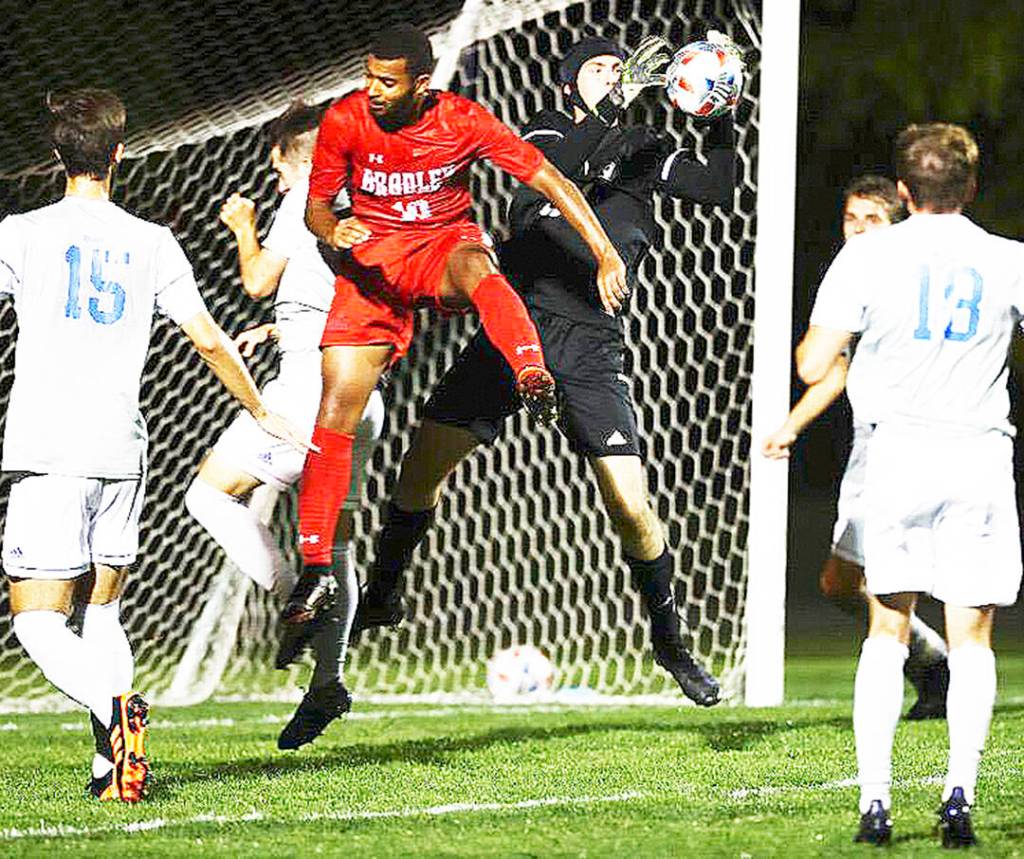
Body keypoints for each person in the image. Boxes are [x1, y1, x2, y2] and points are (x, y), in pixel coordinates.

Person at [352, 33, 739, 706]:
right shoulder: (545, 131)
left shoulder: (641, 148)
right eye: (599, 67)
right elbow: (551, 173)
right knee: (423, 467)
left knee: (631, 507)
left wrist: (721, 114)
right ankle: (384, 591)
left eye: (618, 66)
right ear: (569, 84)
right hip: (518, 326)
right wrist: (613, 105)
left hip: (590, 341)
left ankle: (670, 640)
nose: (614, 73)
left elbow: (718, 184)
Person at [277, 23, 630, 665]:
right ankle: (316, 567)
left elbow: (553, 181)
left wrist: (605, 253)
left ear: (421, 83)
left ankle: (530, 372)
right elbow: (316, 206)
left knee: (479, 268)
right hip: (372, 270)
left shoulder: (462, 119)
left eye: (387, 81)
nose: (373, 89)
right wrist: (333, 231)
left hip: (441, 249)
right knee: (334, 408)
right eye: (369, 76)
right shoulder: (345, 120)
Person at [0, 90, 306, 801]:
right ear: (118, 154)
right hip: (121, 447)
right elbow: (209, 339)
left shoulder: (20, 233)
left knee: (39, 621)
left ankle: (116, 713)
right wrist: (259, 409)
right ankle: (111, 770)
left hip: (49, 446)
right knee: (102, 610)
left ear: (56, 156)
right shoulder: (153, 241)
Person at [796, 122, 1023, 847]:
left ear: (903, 190)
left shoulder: (867, 255)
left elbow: (813, 364)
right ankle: (959, 795)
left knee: (887, 625)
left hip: (896, 455)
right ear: (970, 186)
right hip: (977, 454)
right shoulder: (1008, 259)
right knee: (972, 634)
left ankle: (875, 802)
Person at [183, 102, 384, 749]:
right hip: (364, 395)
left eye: (275, 167)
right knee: (338, 544)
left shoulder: (306, 193)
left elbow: (256, 279)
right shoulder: (371, 200)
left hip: (307, 393)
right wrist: (280, 326)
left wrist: (243, 228)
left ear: (294, 160)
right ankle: (328, 682)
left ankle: (296, 593)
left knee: (208, 495)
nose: (274, 180)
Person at [762, 176, 949, 721]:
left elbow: (813, 362)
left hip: (919, 441)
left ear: (898, 225)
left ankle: (937, 685)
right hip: (872, 444)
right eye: (852, 219)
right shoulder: (859, 278)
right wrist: (792, 425)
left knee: (908, 578)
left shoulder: (906, 279)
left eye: (873, 220)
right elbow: (836, 371)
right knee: (840, 582)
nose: (860, 230)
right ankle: (936, 664)